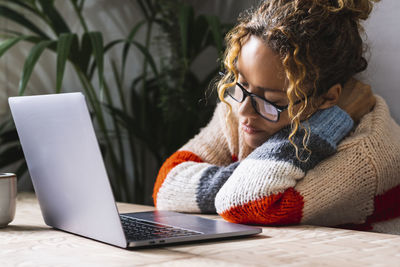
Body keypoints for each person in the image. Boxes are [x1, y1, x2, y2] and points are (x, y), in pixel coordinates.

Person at [152, 0, 400, 234]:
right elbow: (166, 187)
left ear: (327, 98)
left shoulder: (370, 156)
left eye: (274, 101)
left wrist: (333, 120)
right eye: (242, 83)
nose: (244, 113)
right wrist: (240, 175)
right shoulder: (244, 105)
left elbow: (247, 201)